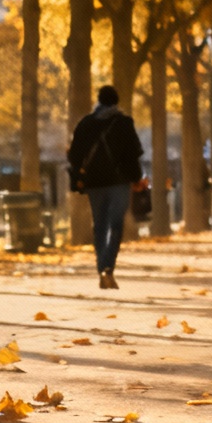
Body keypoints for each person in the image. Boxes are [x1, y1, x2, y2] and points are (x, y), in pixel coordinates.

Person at [67, 85, 144, 290]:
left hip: (95, 184)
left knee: (99, 224)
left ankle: (101, 267)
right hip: (119, 183)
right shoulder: (124, 123)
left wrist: (79, 178)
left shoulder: (86, 124)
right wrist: (136, 178)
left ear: (99, 101)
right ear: (116, 102)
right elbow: (133, 154)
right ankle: (109, 266)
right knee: (116, 224)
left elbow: (74, 156)